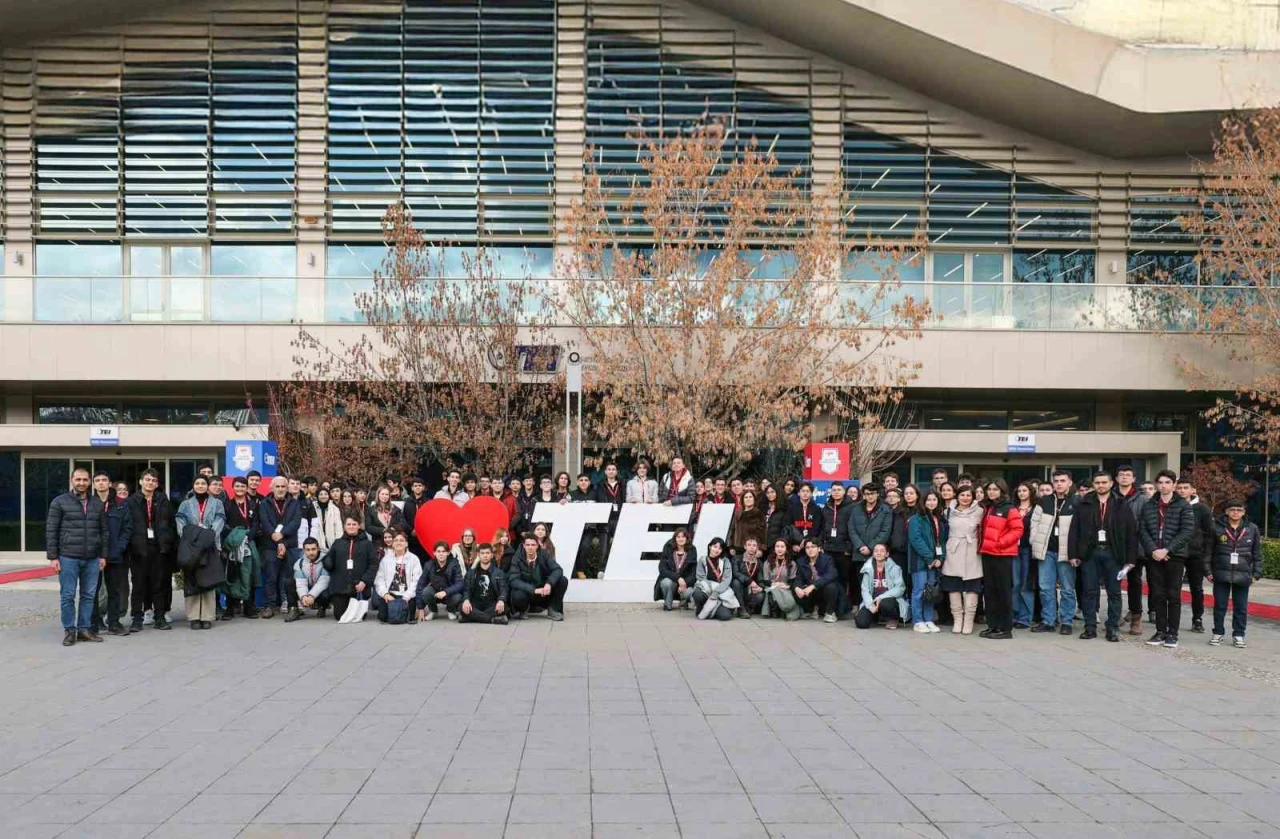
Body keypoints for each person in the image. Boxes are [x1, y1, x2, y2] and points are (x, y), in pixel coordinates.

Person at [1067, 471, 1139, 642]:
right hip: (1090, 554)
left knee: (1114, 592)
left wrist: (1130, 559)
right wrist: (1073, 554)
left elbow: (1131, 532)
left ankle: (1112, 627)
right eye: (1097, 482)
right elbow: (1074, 530)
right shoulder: (1084, 503)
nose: (1101, 485)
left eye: (1104, 482)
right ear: (1094, 484)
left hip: (1113, 554)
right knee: (1089, 591)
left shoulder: (1121, 504)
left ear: (1111, 483)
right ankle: (1090, 626)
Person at [47, 467, 109, 646]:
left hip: (92, 557)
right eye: (78, 479)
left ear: (89, 482)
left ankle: (84, 629)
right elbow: (51, 530)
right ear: (72, 480)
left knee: (89, 595)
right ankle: (69, 631)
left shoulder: (97, 503)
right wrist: (53, 557)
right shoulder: (59, 502)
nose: (81, 483)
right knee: (67, 595)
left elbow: (104, 532)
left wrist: (103, 555)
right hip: (68, 557)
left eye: (84, 480)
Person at [1139, 470, 1194, 648]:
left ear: (1173, 484)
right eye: (1160, 482)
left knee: (1173, 595)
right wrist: (1154, 549)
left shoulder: (1183, 505)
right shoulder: (1149, 505)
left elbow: (1187, 531)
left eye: (1167, 482)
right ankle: (1160, 631)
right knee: (1158, 595)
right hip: (1154, 555)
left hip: (1174, 556)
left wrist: (1167, 549)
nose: (1163, 485)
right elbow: (1142, 529)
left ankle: (1173, 633)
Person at [125, 468, 176, 632]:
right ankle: (137, 618)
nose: (150, 483)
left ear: (157, 484)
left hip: (159, 548)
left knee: (159, 584)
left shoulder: (162, 499)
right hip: (139, 549)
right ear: (141, 482)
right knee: (138, 585)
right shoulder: (132, 501)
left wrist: (168, 542)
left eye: (153, 480)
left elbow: (170, 523)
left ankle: (159, 617)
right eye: (147, 479)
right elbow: (128, 525)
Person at [1029, 470, 1077, 635]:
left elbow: (1081, 529)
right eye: (1056, 481)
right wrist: (1034, 541)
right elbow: (1034, 523)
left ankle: (1067, 622)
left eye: (1063, 480)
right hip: (1046, 551)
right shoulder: (1044, 501)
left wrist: (1076, 552)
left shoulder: (1076, 501)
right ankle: (1048, 620)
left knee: (1067, 589)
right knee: (1045, 588)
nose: (1059, 484)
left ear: (1069, 482)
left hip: (1066, 553)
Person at [175, 475, 226, 630]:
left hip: (210, 545)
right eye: (197, 483)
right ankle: (194, 617)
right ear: (193, 486)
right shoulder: (185, 504)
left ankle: (207, 616)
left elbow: (220, 520)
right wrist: (192, 535)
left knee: (208, 579)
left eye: (203, 483)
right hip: (191, 546)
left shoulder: (217, 503)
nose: (200, 486)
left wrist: (209, 535)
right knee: (192, 579)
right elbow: (180, 521)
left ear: (208, 486)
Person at [1209, 499, 1262, 648]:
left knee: (1241, 607)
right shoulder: (1216, 527)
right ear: (1226, 511)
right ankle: (1218, 632)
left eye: (1239, 510)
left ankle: (1239, 634)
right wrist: (1207, 571)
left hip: (1243, 574)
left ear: (1244, 513)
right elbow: (1208, 551)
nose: (1236, 513)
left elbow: (1257, 553)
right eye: (1232, 510)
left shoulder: (1252, 528)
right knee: (1220, 605)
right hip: (1221, 572)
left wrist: (1256, 573)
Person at [977, 479, 1023, 640]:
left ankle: (1005, 628)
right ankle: (993, 626)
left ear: (1002, 491)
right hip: (987, 554)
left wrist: (1000, 543)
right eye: (989, 489)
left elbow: (1017, 530)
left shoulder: (1009, 509)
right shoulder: (988, 507)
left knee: (1003, 592)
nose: (992, 492)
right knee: (990, 592)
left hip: (1002, 555)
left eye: (995, 489)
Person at [90, 471, 133, 636]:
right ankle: (94, 623)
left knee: (115, 590)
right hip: (94, 555)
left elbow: (127, 528)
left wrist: (120, 547)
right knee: (93, 590)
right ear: (94, 484)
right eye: (97, 480)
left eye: (104, 480)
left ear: (110, 483)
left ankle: (114, 622)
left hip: (115, 554)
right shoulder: (89, 503)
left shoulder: (121, 504)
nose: (101, 483)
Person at [1175, 477, 1215, 634]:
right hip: (1175, 553)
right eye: (1179, 488)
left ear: (1193, 490)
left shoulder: (1202, 509)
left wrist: (1206, 554)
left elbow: (1210, 533)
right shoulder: (1171, 506)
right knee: (1173, 588)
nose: (1182, 490)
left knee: (1196, 588)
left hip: (1195, 554)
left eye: (1186, 487)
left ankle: (1197, 619)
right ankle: (1171, 618)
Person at [258, 476, 301, 620]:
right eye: (278, 486)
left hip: (290, 544)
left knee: (290, 577)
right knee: (271, 576)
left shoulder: (294, 503)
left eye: (283, 486)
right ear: (272, 487)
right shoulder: (264, 503)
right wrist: (278, 541)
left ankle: (292, 606)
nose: (280, 489)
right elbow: (265, 523)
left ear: (287, 488)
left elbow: (295, 523)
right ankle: (269, 606)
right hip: (270, 545)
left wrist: (282, 538)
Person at [941, 485, 983, 635]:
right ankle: (957, 619)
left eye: (968, 495)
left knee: (972, 585)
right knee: (954, 585)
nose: (965, 498)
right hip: (954, 550)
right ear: (957, 496)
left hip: (972, 551)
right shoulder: (948, 512)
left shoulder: (980, 511)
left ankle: (969, 620)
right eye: (962, 495)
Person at [322, 515, 379, 620]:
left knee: (358, 616)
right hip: (340, 588)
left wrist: (364, 581)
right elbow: (329, 559)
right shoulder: (337, 543)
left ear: (359, 526)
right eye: (349, 524)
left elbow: (373, 564)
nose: (351, 527)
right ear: (344, 526)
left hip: (359, 587)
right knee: (340, 616)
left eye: (354, 524)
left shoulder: (367, 544)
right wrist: (327, 562)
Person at [222, 475, 260, 620]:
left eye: (243, 486)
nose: (240, 489)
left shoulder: (253, 504)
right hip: (232, 543)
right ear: (232, 487)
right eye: (237, 486)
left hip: (249, 542)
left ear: (246, 488)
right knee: (233, 573)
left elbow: (257, 522)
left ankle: (249, 607)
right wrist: (236, 535)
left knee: (250, 573)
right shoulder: (227, 504)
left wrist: (249, 535)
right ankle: (230, 607)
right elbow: (224, 524)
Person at [1116, 465, 1149, 634]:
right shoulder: (1112, 496)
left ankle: (1136, 618)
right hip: (1114, 546)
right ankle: (1114, 616)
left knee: (1134, 583)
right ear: (1116, 478)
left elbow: (1146, 524)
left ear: (1134, 479)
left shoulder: (1142, 499)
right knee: (1113, 583)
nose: (1124, 478)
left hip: (1135, 547)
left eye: (1128, 475)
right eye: (1121, 475)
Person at [908, 489, 946, 633]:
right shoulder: (916, 518)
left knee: (930, 592)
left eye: (934, 500)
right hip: (919, 561)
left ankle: (929, 619)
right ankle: (918, 621)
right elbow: (916, 539)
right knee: (918, 591)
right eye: (928, 500)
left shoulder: (939, 519)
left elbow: (942, 541)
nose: (931, 502)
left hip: (934, 562)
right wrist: (930, 557)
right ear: (923, 502)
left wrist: (939, 558)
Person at [507, 533, 567, 621]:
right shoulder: (517, 557)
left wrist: (549, 583)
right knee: (517, 595)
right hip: (527, 592)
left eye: (533, 545)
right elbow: (513, 580)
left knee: (563, 580)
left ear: (537, 546)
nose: (530, 547)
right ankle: (523, 610)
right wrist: (533, 590)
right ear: (523, 546)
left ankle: (553, 609)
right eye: (528, 545)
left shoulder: (544, 554)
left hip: (543, 591)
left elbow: (558, 569)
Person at [856, 543, 908, 629]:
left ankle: (893, 619)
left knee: (885, 603)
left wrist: (881, 597)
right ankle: (876, 616)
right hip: (872, 599)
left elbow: (900, 588)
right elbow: (864, 590)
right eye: (876, 551)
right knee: (861, 623)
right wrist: (870, 605)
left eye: (882, 551)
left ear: (887, 554)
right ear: (873, 553)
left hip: (888, 599)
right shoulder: (868, 568)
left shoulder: (895, 568)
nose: (879, 553)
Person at [374, 530, 422, 623]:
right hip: (391, 594)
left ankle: (414, 610)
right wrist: (385, 594)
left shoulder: (413, 559)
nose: (398, 543)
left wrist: (407, 596)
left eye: (401, 540)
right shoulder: (386, 560)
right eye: (396, 540)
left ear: (406, 544)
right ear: (392, 544)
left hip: (407, 595)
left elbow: (417, 580)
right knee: (383, 617)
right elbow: (379, 579)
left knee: (408, 617)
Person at [821, 482, 853, 614]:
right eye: (833, 490)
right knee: (829, 579)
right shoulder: (827, 507)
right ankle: (830, 608)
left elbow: (853, 528)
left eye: (839, 490)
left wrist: (849, 547)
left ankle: (842, 608)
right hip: (828, 549)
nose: (836, 492)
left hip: (843, 549)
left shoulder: (851, 507)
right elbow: (823, 527)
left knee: (842, 580)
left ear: (844, 492)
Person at [689, 537, 737, 620]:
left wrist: (716, 592)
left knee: (725, 616)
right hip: (706, 589)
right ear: (709, 547)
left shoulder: (725, 561)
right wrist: (711, 589)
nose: (717, 550)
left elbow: (727, 579)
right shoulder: (702, 560)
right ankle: (702, 608)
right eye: (715, 547)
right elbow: (700, 577)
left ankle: (710, 610)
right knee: (697, 593)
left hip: (721, 591)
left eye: (720, 548)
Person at [460, 543, 509, 624]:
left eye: (487, 553)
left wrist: (501, 600)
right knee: (461, 607)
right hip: (475, 605)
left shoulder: (499, 573)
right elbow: (466, 590)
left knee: (504, 608)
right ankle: (493, 620)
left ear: (492, 555)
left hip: (492, 605)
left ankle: (470, 618)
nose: (485, 556)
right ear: (478, 555)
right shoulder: (471, 573)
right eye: (482, 553)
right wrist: (466, 600)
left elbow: (503, 589)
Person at [1011, 480, 1038, 629]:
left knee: (1026, 585)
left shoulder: (1036, 509)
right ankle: (1013, 614)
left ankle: (1025, 618)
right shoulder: (1013, 509)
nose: (1021, 493)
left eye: (1024, 491)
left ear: (1030, 493)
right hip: (1013, 549)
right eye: (1019, 491)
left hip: (1028, 549)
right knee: (1015, 584)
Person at [416, 540, 464, 621]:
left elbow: (459, 583)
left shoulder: (454, 564)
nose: (441, 554)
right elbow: (420, 584)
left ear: (448, 553)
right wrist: (420, 608)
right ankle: (433, 610)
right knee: (426, 592)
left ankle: (450, 610)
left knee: (458, 596)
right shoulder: (429, 565)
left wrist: (446, 592)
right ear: (434, 553)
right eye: (438, 551)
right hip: (435, 593)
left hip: (449, 594)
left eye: (443, 551)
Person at [849, 483, 892, 573]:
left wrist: (870, 547)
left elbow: (885, 531)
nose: (870, 496)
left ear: (877, 494)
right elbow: (851, 528)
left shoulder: (886, 510)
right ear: (864, 495)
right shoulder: (856, 508)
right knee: (861, 584)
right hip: (859, 553)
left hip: (877, 554)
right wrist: (860, 546)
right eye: (867, 494)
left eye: (872, 493)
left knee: (877, 584)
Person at [795, 537, 840, 622]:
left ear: (819, 549)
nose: (810, 550)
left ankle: (830, 613)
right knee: (795, 589)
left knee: (831, 586)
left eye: (813, 547)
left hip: (824, 590)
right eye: (807, 548)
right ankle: (812, 610)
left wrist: (813, 586)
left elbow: (832, 574)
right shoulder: (801, 561)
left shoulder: (827, 559)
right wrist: (797, 587)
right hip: (812, 593)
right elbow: (799, 578)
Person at [287, 537, 331, 622]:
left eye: (313, 549)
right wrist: (304, 597)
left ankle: (322, 607)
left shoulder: (325, 560)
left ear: (318, 548)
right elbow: (300, 583)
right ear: (303, 550)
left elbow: (323, 582)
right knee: (289, 582)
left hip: (320, 590)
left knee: (326, 593)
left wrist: (311, 596)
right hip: (307, 589)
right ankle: (294, 609)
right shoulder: (299, 563)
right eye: (308, 550)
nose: (311, 552)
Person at [654, 527, 696, 610]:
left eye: (683, 537)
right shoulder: (668, 549)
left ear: (687, 538)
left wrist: (685, 583)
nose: (681, 539)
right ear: (675, 538)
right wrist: (678, 578)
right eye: (678, 537)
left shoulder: (692, 550)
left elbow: (693, 572)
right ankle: (667, 604)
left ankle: (683, 602)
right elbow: (662, 569)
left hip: (685, 583)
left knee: (690, 592)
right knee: (666, 582)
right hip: (672, 581)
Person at [594, 462, 626, 565]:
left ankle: (619, 569)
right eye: (609, 469)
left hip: (619, 519)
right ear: (605, 472)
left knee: (620, 547)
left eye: (613, 469)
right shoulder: (600, 485)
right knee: (603, 548)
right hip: (605, 519)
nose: (611, 471)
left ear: (616, 472)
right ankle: (601, 570)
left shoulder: (622, 484)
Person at [762, 537, 801, 619]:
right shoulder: (768, 562)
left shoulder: (792, 563)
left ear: (786, 549)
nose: (779, 549)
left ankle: (781, 609)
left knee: (785, 594)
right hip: (772, 586)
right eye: (777, 546)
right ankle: (776, 609)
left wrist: (787, 586)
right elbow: (765, 580)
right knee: (772, 591)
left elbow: (792, 580)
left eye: (782, 547)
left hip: (785, 586)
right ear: (774, 548)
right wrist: (775, 584)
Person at [786, 482, 824, 555]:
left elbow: (820, 528)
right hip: (796, 547)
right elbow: (788, 527)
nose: (805, 493)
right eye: (803, 491)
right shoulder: (792, 508)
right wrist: (792, 545)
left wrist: (812, 542)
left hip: (812, 546)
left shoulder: (817, 509)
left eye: (807, 491)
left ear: (811, 494)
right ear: (799, 493)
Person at [732, 536, 766, 618]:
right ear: (745, 547)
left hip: (751, 590)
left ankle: (748, 608)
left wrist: (761, 587)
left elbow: (761, 579)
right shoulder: (737, 559)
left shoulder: (759, 563)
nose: (751, 547)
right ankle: (741, 608)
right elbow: (735, 573)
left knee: (760, 595)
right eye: (749, 545)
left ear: (757, 548)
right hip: (739, 588)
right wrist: (749, 581)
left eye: (754, 545)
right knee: (736, 582)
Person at [732, 489, 768, 555]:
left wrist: (761, 549)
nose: (748, 499)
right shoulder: (737, 513)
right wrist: (731, 547)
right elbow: (732, 530)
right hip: (738, 549)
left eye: (750, 497)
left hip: (753, 549)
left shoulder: (759, 514)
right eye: (746, 497)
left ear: (754, 499)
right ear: (743, 500)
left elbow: (763, 534)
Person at [313, 486, 344, 554]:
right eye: (321, 494)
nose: (323, 496)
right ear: (317, 496)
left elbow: (338, 529)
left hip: (332, 544)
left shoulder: (334, 508)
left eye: (325, 494)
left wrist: (337, 544)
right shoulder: (312, 508)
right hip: (316, 544)